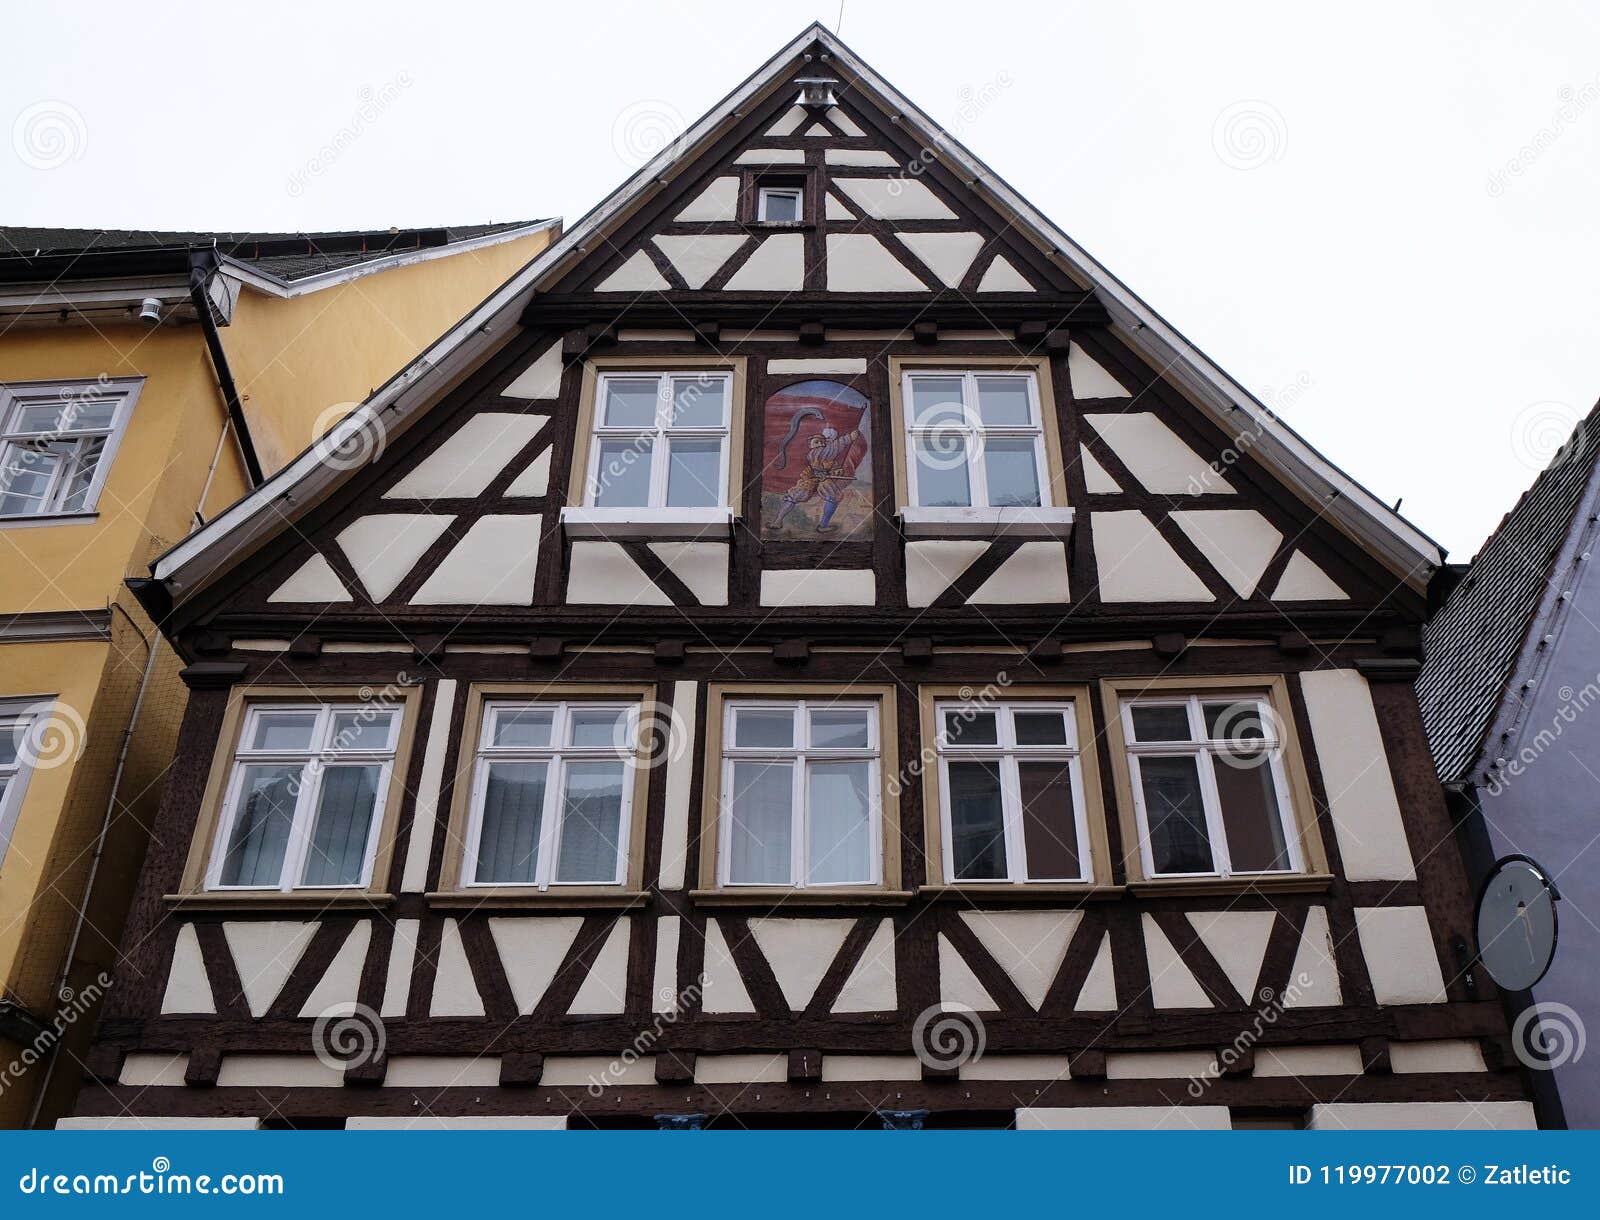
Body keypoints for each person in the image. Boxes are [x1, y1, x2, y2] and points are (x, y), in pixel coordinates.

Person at [774, 423, 863, 532]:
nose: (820, 443)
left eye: (822, 442)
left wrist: (837, 471)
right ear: (811, 445)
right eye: (816, 442)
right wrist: (849, 438)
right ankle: (777, 522)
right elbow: (832, 449)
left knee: (833, 496)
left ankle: (823, 526)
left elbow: (833, 467)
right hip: (810, 478)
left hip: (824, 479)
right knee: (795, 495)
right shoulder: (814, 453)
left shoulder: (827, 457)